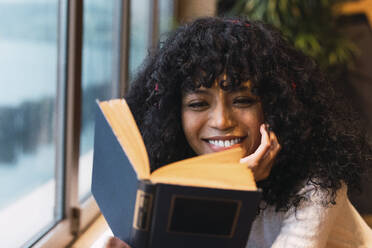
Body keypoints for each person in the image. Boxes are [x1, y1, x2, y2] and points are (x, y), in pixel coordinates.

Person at [106, 17, 372, 248]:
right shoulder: (175, 175)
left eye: (243, 100)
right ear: (175, 116)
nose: (222, 121)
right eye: (199, 104)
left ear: (274, 106)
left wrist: (235, 190)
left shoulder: (317, 182)